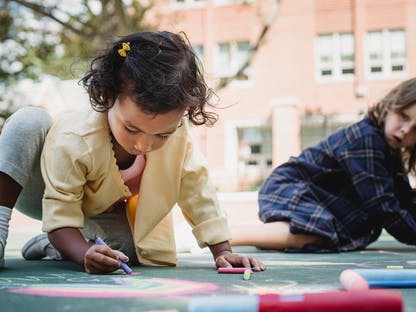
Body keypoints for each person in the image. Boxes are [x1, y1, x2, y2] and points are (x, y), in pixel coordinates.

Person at [0, 31, 265, 273]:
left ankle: (53, 243)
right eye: (131, 128)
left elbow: (198, 189)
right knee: (28, 121)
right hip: (37, 189)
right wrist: (82, 255)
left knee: (126, 251)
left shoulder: (179, 135)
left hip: (93, 210)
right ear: (106, 96)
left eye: (162, 134)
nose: (143, 145)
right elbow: (60, 212)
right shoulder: (76, 137)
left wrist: (223, 251)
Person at [231, 76, 416, 252]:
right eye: (404, 116)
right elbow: (381, 203)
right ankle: (230, 236)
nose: (405, 130)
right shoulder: (366, 139)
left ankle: (275, 237)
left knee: (325, 233)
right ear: (392, 104)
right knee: (319, 234)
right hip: (289, 187)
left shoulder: (386, 148)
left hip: (314, 197)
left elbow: (404, 194)